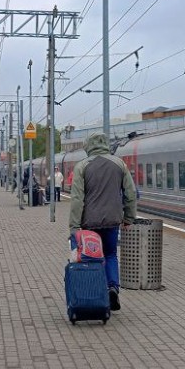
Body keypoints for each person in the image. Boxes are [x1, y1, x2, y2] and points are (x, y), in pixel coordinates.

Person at [68, 133, 137, 310]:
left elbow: (77, 199)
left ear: (88, 146)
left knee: (92, 258)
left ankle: (95, 294)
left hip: (89, 223)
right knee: (111, 254)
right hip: (113, 221)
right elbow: (130, 194)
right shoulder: (119, 164)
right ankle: (112, 288)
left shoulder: (82, 166)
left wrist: (74, 226)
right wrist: (129, 218)